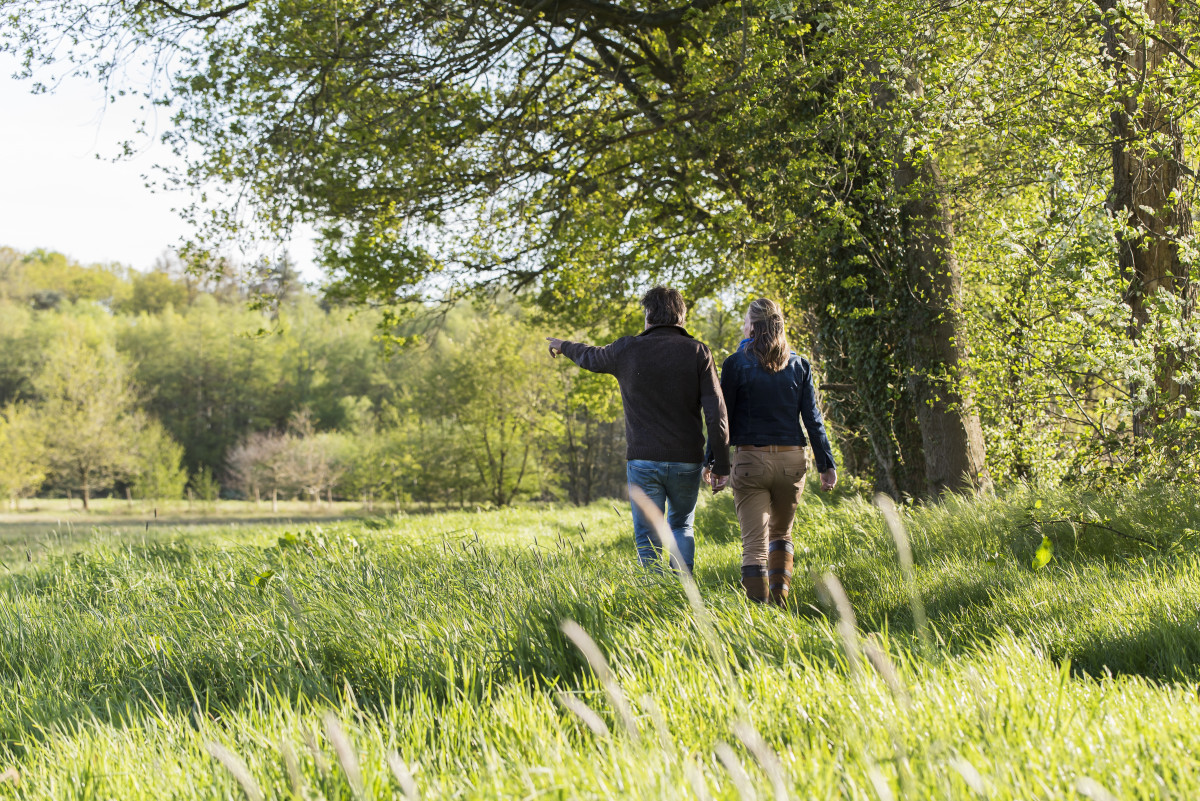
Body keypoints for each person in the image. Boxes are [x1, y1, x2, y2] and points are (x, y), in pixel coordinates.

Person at [546, 286, 730, 573]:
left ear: (648, 316)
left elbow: (590, 356)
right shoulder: (698, 352)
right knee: (681, 525)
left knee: (648, 538)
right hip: (687, 461)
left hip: (643, 461)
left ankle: (655, 598)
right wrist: (720, 462)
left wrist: (563, 345)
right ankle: (684, 591)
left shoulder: (627, 349)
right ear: (681, 316)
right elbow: (716, 412)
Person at [704, 298, 837, 606]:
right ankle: (780, 603)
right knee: (782, 535)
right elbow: (813, 420)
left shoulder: (736, 364)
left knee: (754, 546)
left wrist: (714, 462)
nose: (742, 326)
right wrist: (826, 464)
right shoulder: (799, 363)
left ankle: (761, 616)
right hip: (792, 461)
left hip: (751, 461)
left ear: (754, 327)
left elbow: (723, 419)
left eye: (745, 322)